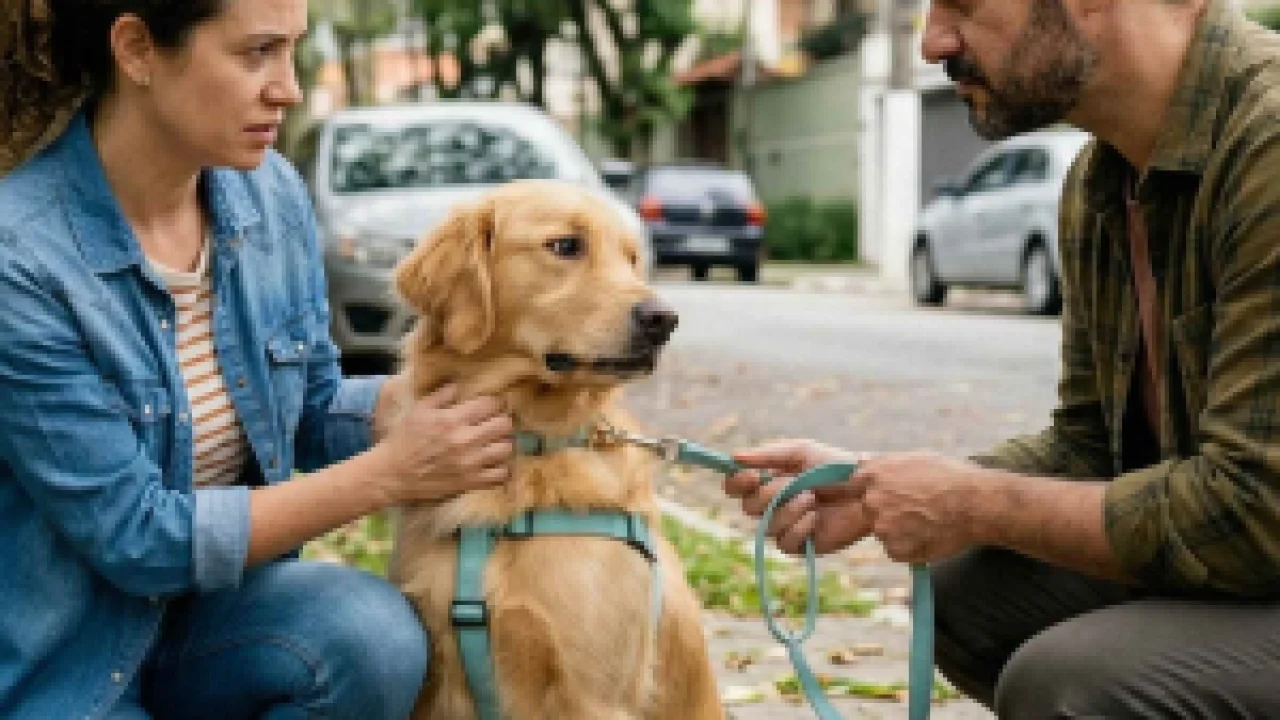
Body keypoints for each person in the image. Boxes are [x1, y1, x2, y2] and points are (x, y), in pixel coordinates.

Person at [726, 0, 1280, 716]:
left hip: (1261, 541)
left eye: (962, 4)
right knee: (968, 594)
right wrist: (872, 487)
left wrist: (975, 502)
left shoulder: (1267, 144)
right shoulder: (1101, 183)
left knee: (1076, 684)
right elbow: (1090, 448)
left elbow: (1254, 513)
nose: (933, 43)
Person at [0, 2, 515, 719]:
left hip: (216, 629)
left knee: (369, 634)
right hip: (69, 668)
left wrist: (427, 407)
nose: (289, 89)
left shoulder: (268, 195)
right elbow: (137, 539)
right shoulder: (19, 258)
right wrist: (391, 472)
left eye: (294, 51)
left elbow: (308, 408)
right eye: (256, 54)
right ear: (138, 49)